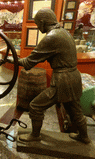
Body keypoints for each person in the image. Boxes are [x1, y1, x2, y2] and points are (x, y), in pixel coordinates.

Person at [8, 8, 90, 144]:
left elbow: (28, 63)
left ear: (42, 22)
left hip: (63, 80)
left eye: (37, 24)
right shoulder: (64, 32)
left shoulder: (52, 37)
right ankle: (84, 136)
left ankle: (35, 136)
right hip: (74, 77)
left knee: (35, 106)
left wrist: (12, 60)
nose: (37, 27)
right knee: (74, 109)